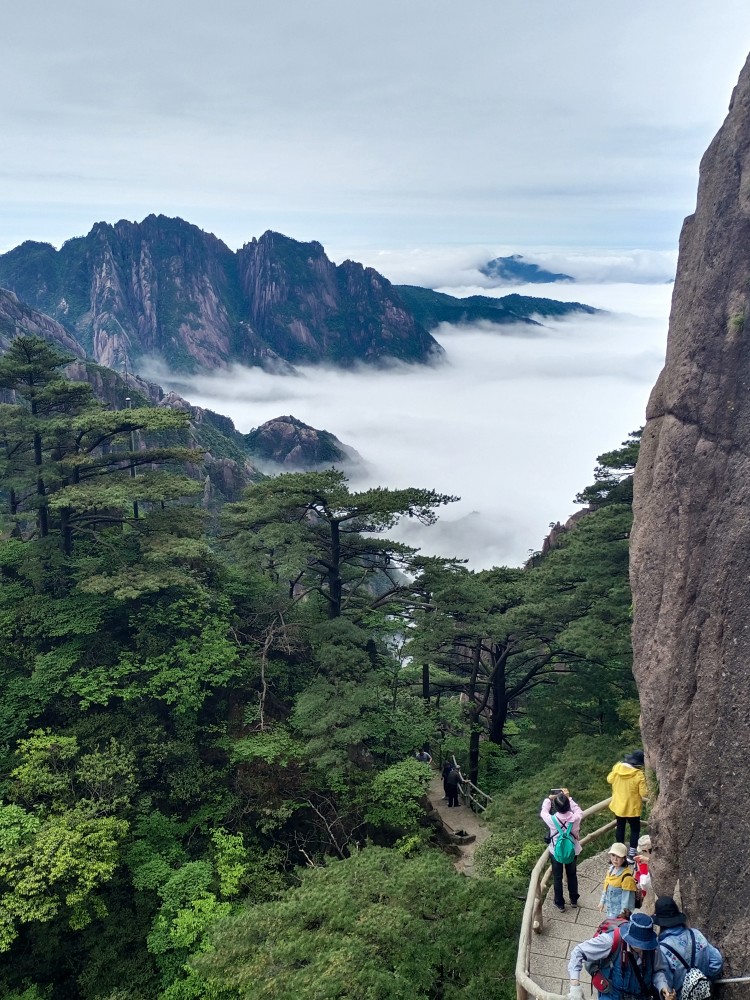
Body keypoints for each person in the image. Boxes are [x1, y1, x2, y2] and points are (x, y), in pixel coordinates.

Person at [568, 911, 671, 1000]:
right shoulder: (610, 941)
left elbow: (658, 971)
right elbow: (578, 951)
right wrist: (574, 985)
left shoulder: (652, 946)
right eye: (639, 944)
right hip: (613, 996)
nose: (643, 948)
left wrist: (663, 987)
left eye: (646, 944)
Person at [654, 896, 723, 994]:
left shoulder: (662, 948)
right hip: (704, 994)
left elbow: (666, 983)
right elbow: (717, 961)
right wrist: (702, 980)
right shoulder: (696, 934)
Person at [540, 790, 583, 912]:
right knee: (572, 875)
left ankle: (560, 903)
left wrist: (548, 799)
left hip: (556, 852)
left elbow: (543, 811)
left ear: (555, 807)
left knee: (557, 877)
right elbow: (578, 810)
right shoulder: (576, 818)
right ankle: (574, 900)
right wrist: (569, 798)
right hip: (572, 850)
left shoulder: (551, 819)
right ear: (568, 805)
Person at [607, 750, 649, 861]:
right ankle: (631, 854)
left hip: (619, 806)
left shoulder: (617, 768)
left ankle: (619, 853)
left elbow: (609, 779)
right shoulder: (638, 774)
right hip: (632, 807)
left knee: (620, 828)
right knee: (635, 829)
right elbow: (643, 793)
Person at [600, 842, 637, 917]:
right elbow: (606, 886)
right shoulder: (610, 870)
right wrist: (602, 901)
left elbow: (626, 900)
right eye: (613, 855)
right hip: (610, 909)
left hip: (619, 913)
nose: (615, 859)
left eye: (619, 856)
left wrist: (622, 915)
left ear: (624, 858)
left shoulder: (626, 877)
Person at [634, 835, 653, 913]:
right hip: (645, 887)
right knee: (649, 902)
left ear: (646, 850)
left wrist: (648, 861)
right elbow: (638, 871)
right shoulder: (640, 859)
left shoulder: (652, 858)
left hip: (653, 884)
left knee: (652, 901)